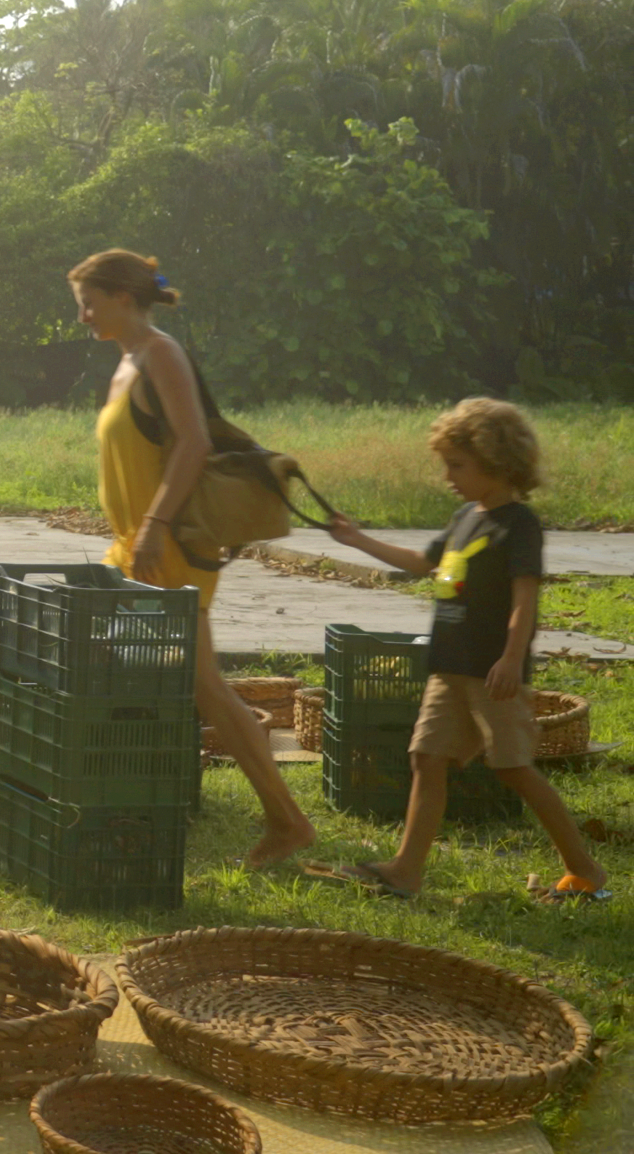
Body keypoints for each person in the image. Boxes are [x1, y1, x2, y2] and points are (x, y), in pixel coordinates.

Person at [73, 248, 316, 869]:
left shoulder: (161, 355)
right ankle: (135, 801)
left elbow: (194, 443)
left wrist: (154, 525)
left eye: (89, 303)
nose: (83, 316)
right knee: (181, 680)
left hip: (170, 545)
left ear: (124, 298)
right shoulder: (127, 360)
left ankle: (288, 822)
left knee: (204, 684)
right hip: (139, 545)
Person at [325, 400, 607, 901]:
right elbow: (419, 563)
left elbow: (525, 600)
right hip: (449, 667)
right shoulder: (463, 518)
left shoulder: (518, 525)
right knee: (426, 759)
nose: (447, 476)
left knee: (513, 765)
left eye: (457, 465)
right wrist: (356, 539)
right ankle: (404, 872)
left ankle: (584, 869)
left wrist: (510, 658)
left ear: (495, 463)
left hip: (492, 671)